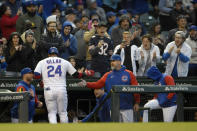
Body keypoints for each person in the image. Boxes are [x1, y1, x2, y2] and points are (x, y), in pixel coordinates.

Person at [34, 47, 94, 124]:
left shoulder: (42, 62)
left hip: (48, 89)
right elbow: (76, 75)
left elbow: (36, 74)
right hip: (61, 89)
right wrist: (85, 73)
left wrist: (40, 82)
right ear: (57, 54)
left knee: (52, 113)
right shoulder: (64, 61)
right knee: (62, 113)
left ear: (48, 54)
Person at [79, 54, 140, 122]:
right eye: (111, 61)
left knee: (128, 128)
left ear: (119, 62)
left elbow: (135, 89)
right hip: (114, 108)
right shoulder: (108, 75)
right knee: (116, 128)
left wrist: (137, 102)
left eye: (113, 61)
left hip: (127, 107)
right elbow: (97, 84)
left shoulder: (129, 73)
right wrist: (86, 84)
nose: (111, 63)